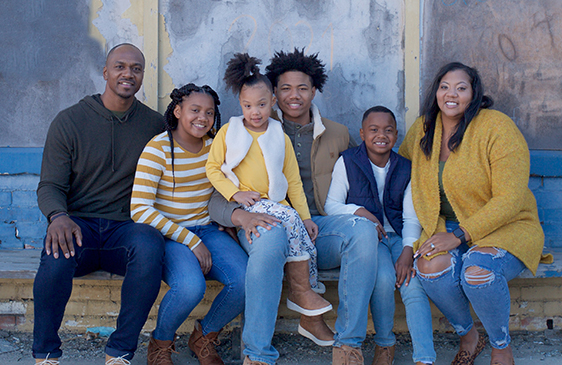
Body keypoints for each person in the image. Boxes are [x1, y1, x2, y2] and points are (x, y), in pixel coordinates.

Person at [209, 49, 379, 365]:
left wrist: (361, 211)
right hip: (264, 221)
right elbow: (216, 191)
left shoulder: (338, 134)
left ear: (314, 90)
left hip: (318, 228)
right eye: (285, 88)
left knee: (363, 231)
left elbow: (361, 181)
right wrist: (238, 215)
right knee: (271, 237)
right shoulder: (245, 131)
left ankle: (348, 345)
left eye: (302, 88)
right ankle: (257, 355)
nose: (294, 95)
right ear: (275, 93)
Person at [398, 62, 553, 365]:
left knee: (478, 272)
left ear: (474, 94)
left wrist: (459, 236)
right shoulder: (424, 128)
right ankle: (469, 335)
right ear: (436, 92)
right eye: (444, 86)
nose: (451, 94)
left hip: (505, 225)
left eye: (461, 87)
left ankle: (500, 345)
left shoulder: (496, 127)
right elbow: (400, 168)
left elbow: (510, 198)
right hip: (443, 226)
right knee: (430, 268)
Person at [33, 43, 166, 365]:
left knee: (150, 246)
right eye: (120, 67)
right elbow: (49, 185)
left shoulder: (154, 125)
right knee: (55, 254)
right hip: (79, 229)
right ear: (105, 73)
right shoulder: (69, 121)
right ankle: (46, 354)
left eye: (136, 68)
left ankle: (119, 353)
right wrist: (58, 216)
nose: (128, 74)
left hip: (126, 230)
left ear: (142, 76)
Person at [206, 53, 331, 325]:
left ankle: (306, 287)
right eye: (248, 105)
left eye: (262, 105)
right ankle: (304, 290)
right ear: (240, 104)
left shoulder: (279, 135)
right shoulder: (229, 132)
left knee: (300, 228)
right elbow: (213, 169)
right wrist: (234, 194)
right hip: (247, 204)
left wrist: (307, 216)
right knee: (289, 220)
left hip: (276, 203)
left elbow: (293, 181)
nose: (255, 112)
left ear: (272, 102)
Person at [130, 84, 247, 365]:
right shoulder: (158, 148)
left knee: (245, 281)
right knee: (189, 287)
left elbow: (230, 189)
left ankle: (204, 337)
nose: (202, 118)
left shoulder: (216, 146)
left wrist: (228, 219)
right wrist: (190, 241)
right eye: (195, 110)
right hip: (170, 235)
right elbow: (139, 209)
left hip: (208, 230)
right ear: (179, 111)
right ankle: (160, 343)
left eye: (209, 112)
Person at [324, 106, 435, 365]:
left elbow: (410, 217)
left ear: (396, 135)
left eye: (388, 130)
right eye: (373, 130)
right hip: (371, 240)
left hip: (401, 237)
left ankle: (425, 358)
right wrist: (359, 211)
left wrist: (408, 250)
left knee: (412, 284)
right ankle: (385, 344)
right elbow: (331, 205)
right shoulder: (348, 161)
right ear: (362, 133)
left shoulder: (406, 168)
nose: (381, 135)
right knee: (385, 279)